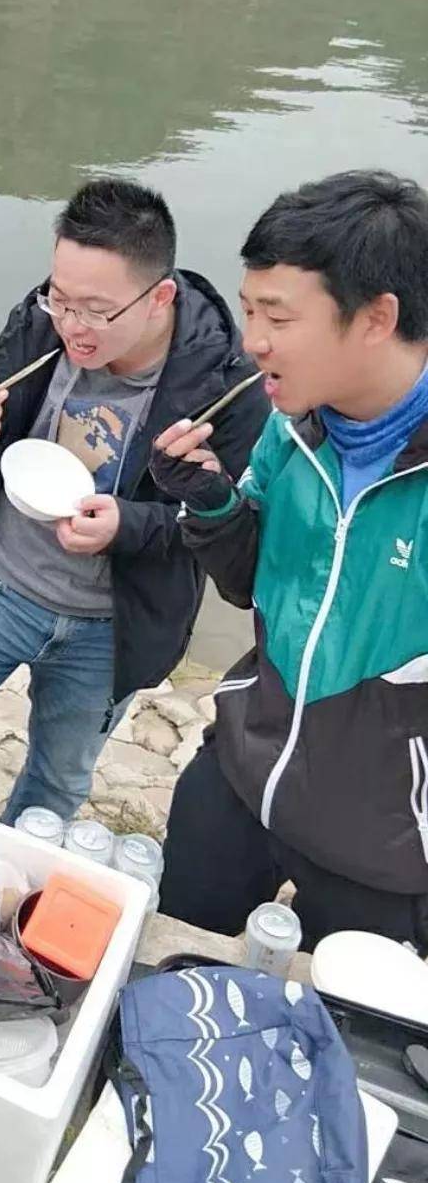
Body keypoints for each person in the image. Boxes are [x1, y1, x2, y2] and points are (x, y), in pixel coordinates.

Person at [0, 177, 267, 821]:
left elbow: (220, 530)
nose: (74, 325)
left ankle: (13, 909)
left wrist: (127, 525)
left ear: (159, 298)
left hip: (112, 623)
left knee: (56, 789)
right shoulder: (45, 321)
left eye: (97, 310)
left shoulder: (231, 384)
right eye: (61, 299)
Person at [151, 170, 428, 951]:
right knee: (172, 962)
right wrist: (208, 505)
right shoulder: (293, 427)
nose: (252, 342)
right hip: (242, 776)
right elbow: (251, 586)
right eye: (247, 311)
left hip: (385, 853)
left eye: (277, 316)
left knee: (337, 1046)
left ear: (377, 318)